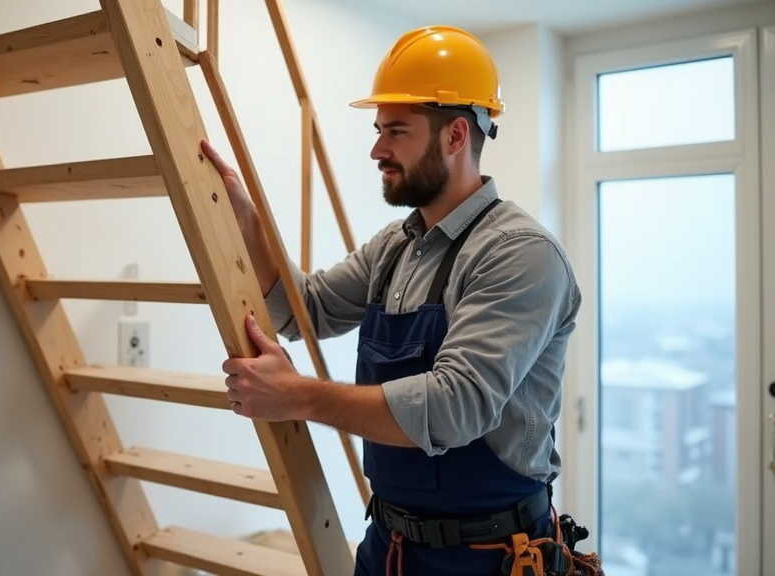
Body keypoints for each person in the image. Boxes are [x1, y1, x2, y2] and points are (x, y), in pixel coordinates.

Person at [201, 25, 582, 576]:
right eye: (380, 130)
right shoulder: (396, 246)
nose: (377, 149)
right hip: (390, 549)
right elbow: (304, 309)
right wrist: (248, 222)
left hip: (489, 558)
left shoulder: (519, 254)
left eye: (395, 131)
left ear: (455, 136)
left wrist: (299, 396)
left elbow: (454, 407)